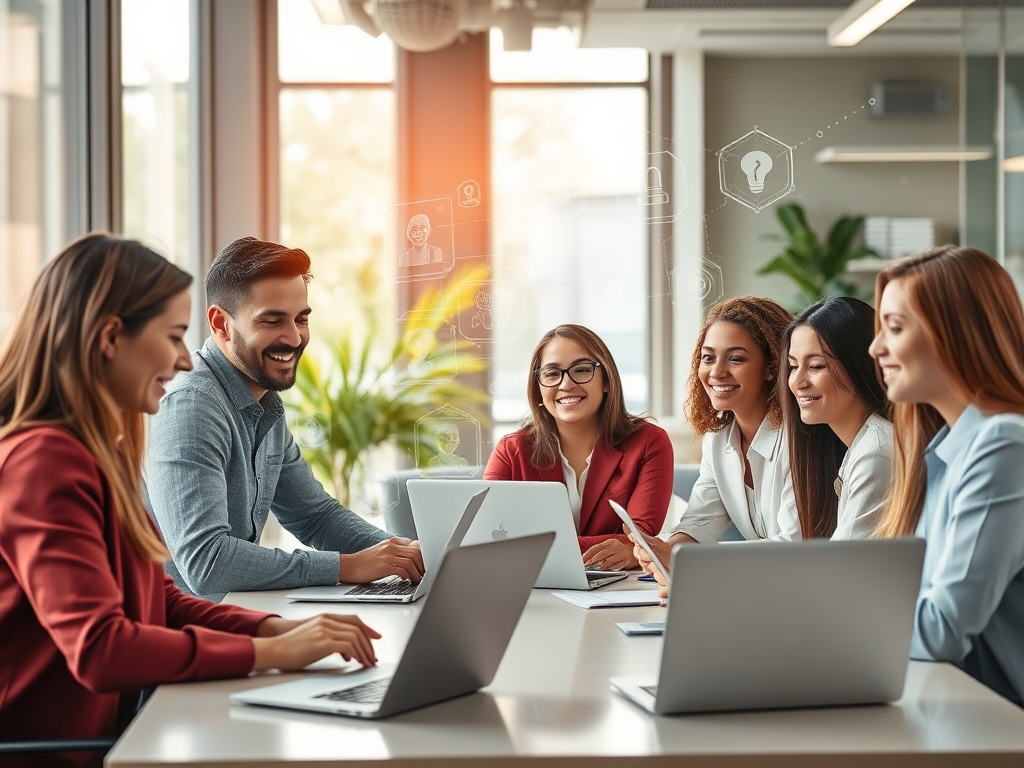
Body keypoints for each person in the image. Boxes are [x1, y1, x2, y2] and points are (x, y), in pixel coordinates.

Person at [0, 234, 380, 762]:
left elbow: (159, 598)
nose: (184, 360)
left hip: (107, 736)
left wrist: (278, 629)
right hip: (56, 752)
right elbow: (101, 648)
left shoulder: (94, 451)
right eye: (174, 336)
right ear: (112, 337)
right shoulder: (42, 461)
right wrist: (266, 652)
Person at [145, 237, 423, 601]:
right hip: (176, 633)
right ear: (221, 324)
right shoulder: (193, 407)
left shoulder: (263, 403)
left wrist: (405, 555)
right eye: (272, 320)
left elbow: (315, 517)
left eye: (301, 318)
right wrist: (346, 566)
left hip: (229, 620)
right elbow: (208, 564)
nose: (294, 337)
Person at [869, 245, 1024, 706]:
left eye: (894, 328)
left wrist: (813, 616)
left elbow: (943, 631)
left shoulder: (1003, 446)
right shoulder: (947, 450)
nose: (876, 347)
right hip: (952, 702)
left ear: (955, 332)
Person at [630, 297, 795, 589]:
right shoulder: (718, 440)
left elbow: (793, 546)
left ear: (772, 367)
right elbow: (699, 523)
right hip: (761, 588)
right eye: (708, 357)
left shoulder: (799, 440)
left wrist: (693, 568)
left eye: (736, 358)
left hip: (797, 590)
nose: (716, 372)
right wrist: (666, 551)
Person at [484, 324, 673, 570]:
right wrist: (619, 546)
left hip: (618, 591)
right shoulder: (511, 450)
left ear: (606, 380)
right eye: (552, 374)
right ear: (539, 390)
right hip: (533, 588)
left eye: (582, 370)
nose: (566, 384)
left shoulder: (649, 443)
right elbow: (485, 534)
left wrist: (532, 548)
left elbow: (641, 538)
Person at [781, 296, 892, 540]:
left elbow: (843, 567)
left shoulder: (876, 451)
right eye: (792, 367)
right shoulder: (856, 446)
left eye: (816, 366)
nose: (797, 382)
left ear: (859, 365)